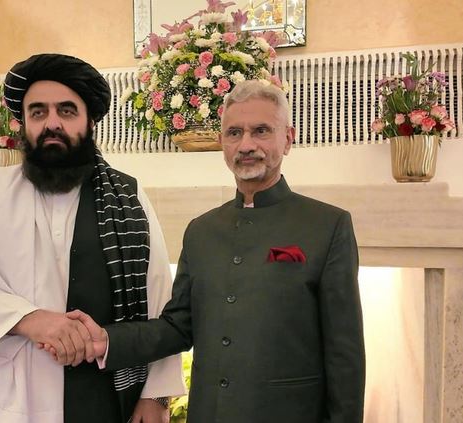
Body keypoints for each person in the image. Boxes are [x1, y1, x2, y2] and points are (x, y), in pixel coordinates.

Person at [60, 79, 366, 422]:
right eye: (234, 133)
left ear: (288, 139)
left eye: (261, 131)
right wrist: (107, 340)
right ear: (222, 142)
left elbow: (345, 354)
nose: (246, 144)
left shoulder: (328, 225)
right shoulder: (201, 231)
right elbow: (178, 326)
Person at [0, 53, 184, 423]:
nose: (52, 123)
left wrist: (156, 395)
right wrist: (30, 320)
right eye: (38, 112)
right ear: (24, 124)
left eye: (66, 111)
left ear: (90, 121)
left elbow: (158, 299)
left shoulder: (128, 197)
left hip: (97, 395)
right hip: (4, 396)